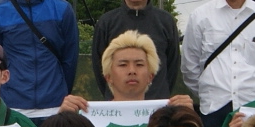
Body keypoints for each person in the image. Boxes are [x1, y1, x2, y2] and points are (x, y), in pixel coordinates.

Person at [91, 0, 182, 101]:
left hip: (157, 105)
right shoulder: (106, 22)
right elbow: (99, 67)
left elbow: (172, 66)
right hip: (117, 105)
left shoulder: (165, 21)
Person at [61, 30, 194, 114]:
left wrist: (190, 117)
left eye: (139, 64)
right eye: (123, 65)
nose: (132, 71)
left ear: (151, 76)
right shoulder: (85, 116)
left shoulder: (169, 117)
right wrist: (63, 117)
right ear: (108, 76)